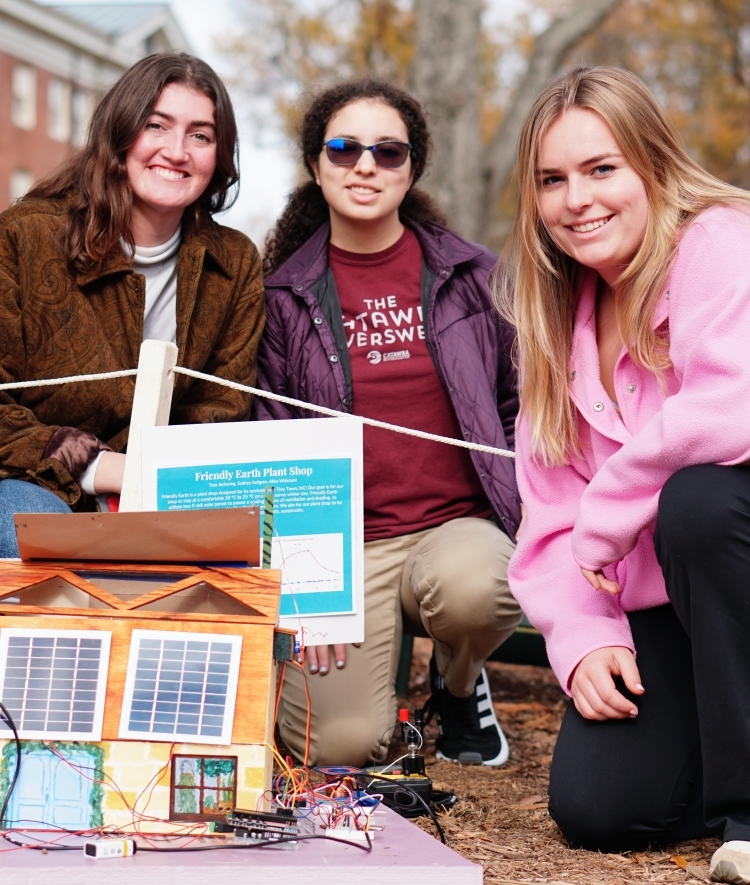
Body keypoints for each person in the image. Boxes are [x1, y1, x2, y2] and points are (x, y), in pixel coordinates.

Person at [498, 64, 750, 882]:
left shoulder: (720, 244)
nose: (579, 199)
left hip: (735, 562)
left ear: (652, 165)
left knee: (699, 501)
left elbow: (731, 408)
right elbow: (547, 519)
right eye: (553, 180)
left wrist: (610, 509)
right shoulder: (552, 322)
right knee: (601, 807)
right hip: (671, 610)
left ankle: (745, 816)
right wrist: (582, 638)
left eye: (602, 168)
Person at [255, 79, 522, 767]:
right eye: (344, 149)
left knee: (476, 590)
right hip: (348, 547)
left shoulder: (472, 276)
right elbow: (273, 439)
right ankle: (385, 682)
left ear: (412, 168)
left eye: (388, 151)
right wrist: (310, 588)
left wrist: (529, 510)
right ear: (317, 166)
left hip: (456, 527)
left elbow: (522, 405)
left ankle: (458, 681)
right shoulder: (283, 297)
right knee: (339, 747)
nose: (365, 165)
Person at [0, 52, 265, 557]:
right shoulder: (23, 238)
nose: (177, 151)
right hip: (27, 479)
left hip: (166, 497)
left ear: (219, 155)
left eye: (200, 135)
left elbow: (221, 412)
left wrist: (156, 483)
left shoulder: (233, 264)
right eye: (156, 126)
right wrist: (101, 469)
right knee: (39, 532)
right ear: (119, 133)